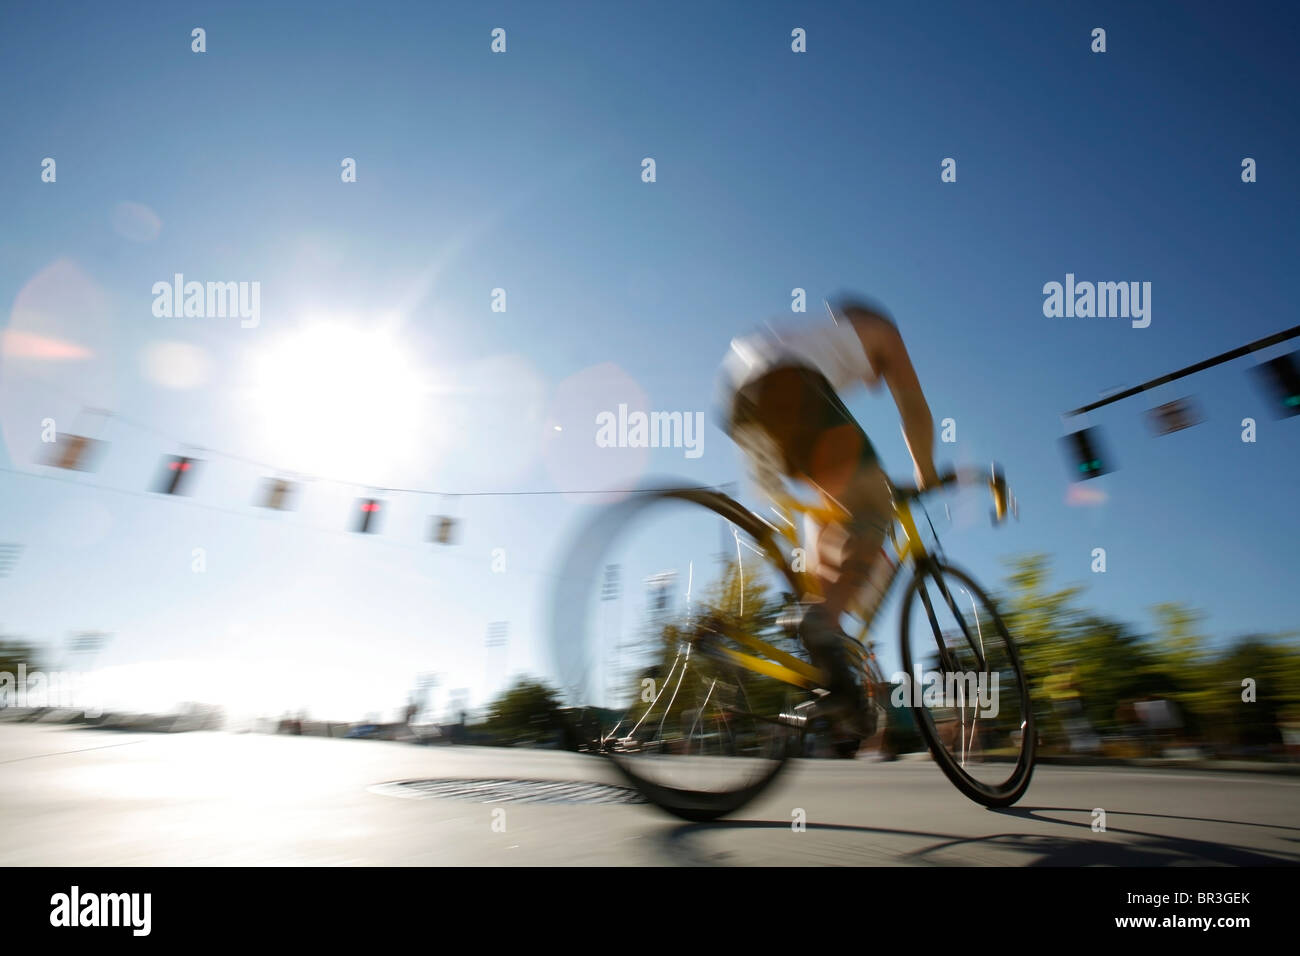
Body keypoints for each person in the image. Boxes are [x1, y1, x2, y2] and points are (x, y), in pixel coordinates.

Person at [719, 296, 941, 735]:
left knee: (828, 516)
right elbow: (913, 408)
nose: (875, 382)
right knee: (874, 503)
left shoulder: (813, 336)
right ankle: (823, 620)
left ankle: (829, 666)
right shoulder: (878, 330)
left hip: (740, 404)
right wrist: (926, 472)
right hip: (789, 383)